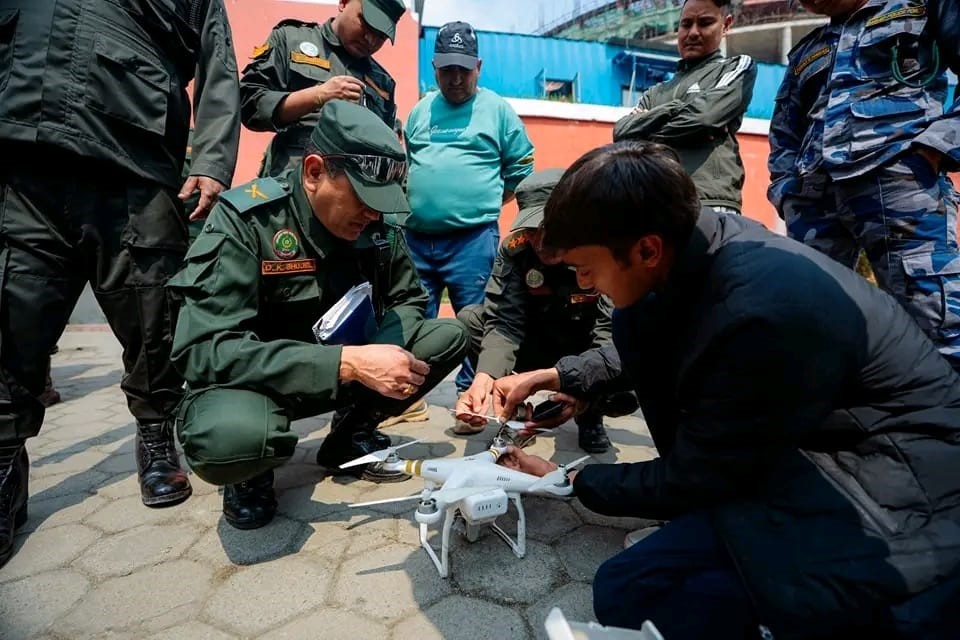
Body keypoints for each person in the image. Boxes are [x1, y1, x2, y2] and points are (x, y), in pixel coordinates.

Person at [492, 141, 960, 638]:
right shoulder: (697, 248)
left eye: (586, 267)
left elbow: (700, 473)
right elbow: (665, 343)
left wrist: (569, 479)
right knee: (629, 586)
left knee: (667, 598)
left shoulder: (760, 312)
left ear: (646, 249)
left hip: (896, 492)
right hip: (808, 458)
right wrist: (562, 375)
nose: (583, 282)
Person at [0, 0, 240, 569]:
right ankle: (5, 459)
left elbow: (218, 64)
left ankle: (156, 435)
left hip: (133, 154)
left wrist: (210, 159)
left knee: (152, 317)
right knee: (12, 314)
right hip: (22, 143)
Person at [168, 101, 468, 530]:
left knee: (446, 336)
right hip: (262, 383)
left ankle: (349, 437)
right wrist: (346, 362)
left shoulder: (377, 224)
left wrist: (380, 353)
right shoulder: (248, 221)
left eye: (381, 202)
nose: (373, 214)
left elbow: (408, 298)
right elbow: (204, 350)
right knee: (231, 438)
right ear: (314, 172)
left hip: (347, 369)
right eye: (363, 198)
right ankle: (250, 475)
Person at [768, 0, 960, 370]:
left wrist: (933, 150)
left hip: (901, 186)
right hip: (814, 200)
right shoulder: (809, 49)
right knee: (806, 323)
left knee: (936, 321)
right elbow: (785, 131)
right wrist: (787, 192)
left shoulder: (919, 7)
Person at [403, 21, 535, 393]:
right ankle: (409, 397)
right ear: (434, 68)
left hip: (472, 241)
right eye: (448, 69)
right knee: (414, 319)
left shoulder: (498, 111)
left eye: (464, 69)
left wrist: (488, 200)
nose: (456, 78)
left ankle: (471, 394)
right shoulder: (421, 111)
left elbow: (522, 167)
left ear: (478, 67)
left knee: (477, 319)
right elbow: (410, 165)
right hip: (417, 239)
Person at [453, 169, 620, 454]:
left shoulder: (603, 250)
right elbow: (504, 321)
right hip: (536, 342)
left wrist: (581, 388)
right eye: (531, 230)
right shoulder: (515, 250)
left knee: (622, 371)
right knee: (471, 319)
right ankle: (514, 410)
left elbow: (609, 331)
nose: (541, 243)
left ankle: (589, 415)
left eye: (549, 230)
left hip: (585, 348)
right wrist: (485, 377)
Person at [613, 0, 756, 215]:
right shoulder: (655, 92)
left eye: (705, 23)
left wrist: (648, 129)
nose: (693, 32)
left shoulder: (735, 68)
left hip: (709, 203)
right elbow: (622, 133)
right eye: (686, 24)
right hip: (658, 207)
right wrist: (674, 108)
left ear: (725, 25)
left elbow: (705, 117)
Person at [240, 0, 406, 177]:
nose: (370, 40)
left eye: (380, 36)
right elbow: (250, 106)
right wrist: (317, 95)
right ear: (343, 3)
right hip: (293, 181)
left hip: (355, 187)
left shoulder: (382, 83)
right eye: (366, 24)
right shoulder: (290, 39)